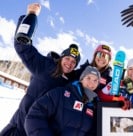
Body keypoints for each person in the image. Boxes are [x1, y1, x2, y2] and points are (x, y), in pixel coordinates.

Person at [0, 3, 81, 136]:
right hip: (19, 128)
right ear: (61, 58)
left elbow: (90, 78)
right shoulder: (44, 66)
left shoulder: (71, 81)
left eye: (74, 62)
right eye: (67, 58)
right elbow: (22, 45)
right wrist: (31, 16)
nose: (69, 63)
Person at [24, 66, 100, 135]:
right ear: (82, 79)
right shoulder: (61, 93)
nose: (91, 83)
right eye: (88, 78)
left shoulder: (94, 106)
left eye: (95, 80)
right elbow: (34, 116)